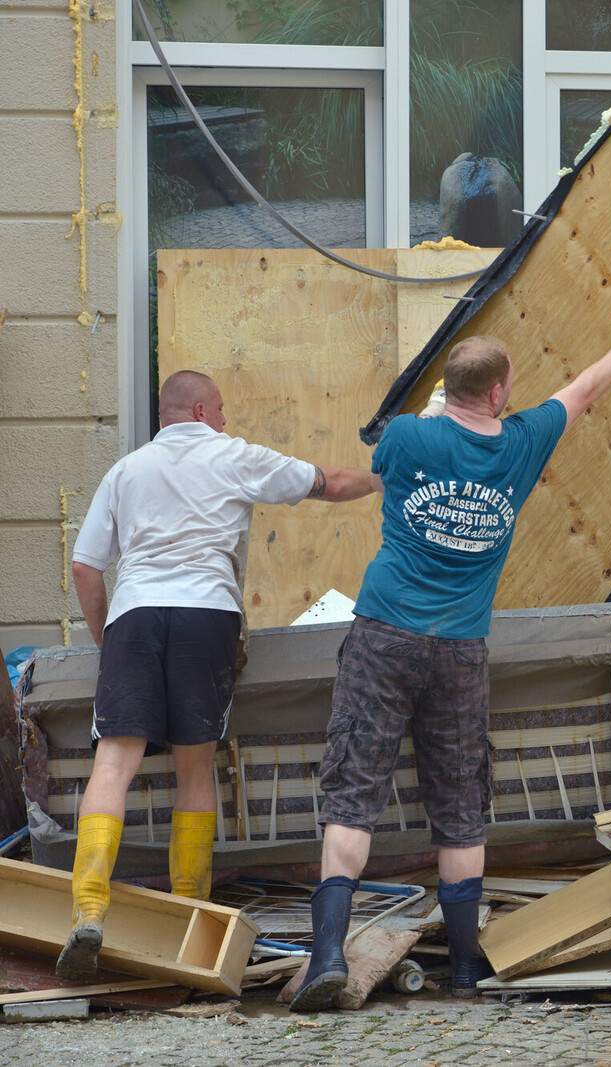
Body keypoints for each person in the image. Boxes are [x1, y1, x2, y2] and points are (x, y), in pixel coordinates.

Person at [291, 298, 611, 1011]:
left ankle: (326, 954)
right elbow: (586, 389)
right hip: (461, 650)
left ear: (449, 387)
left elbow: (390, 454)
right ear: (502, 390)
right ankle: (468, 966)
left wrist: (440, 407)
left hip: (384, 635)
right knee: (461, 801)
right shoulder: (523, 441)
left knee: (354, 790)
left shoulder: (409, 437)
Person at [59, 370, 378, 980]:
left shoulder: (125, 471)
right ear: (202, 410)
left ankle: (88, 911)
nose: (228, 422)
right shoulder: (234, 456)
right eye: (224, 410)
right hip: (207, 613)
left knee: (113, 765)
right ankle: (189, 913)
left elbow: (85, 567)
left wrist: (110, 642)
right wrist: (388, 476)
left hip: (136, 616)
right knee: (195, 766)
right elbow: (330, 483)